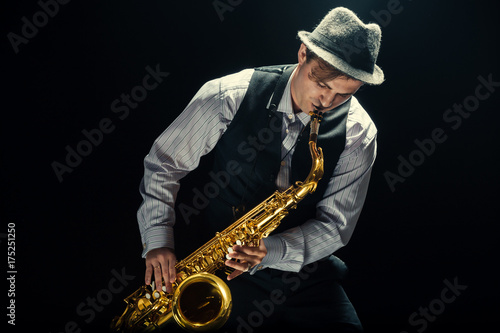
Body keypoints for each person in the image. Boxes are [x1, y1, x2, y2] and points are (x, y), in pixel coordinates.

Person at [137, 7, 384, 332]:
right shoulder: (229, 95)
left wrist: (270, 250)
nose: (327, 101)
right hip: (224, 269)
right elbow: (163, 163)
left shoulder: (360, 132)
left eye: (344, 94)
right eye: (321, 84)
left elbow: (336, 226)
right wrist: (158, 240)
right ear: (302, 54)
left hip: (306, 277)